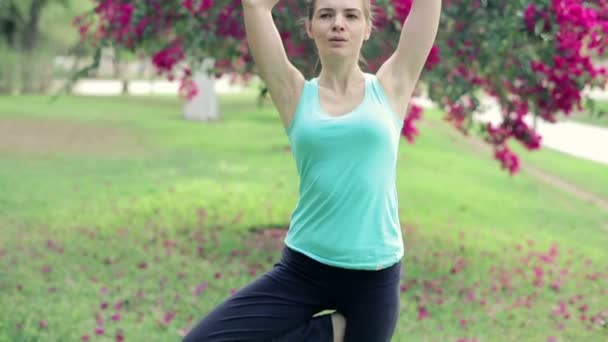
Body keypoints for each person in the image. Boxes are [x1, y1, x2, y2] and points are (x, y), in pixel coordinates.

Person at [183, 0, 441, 340]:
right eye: (326, 15)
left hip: (374, 274)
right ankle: (330, 332)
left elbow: (426, 7)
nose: (338, 24)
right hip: (305, 268)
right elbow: (256, 7)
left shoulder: (391, 86)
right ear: (309, 28)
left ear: (367, 29)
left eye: (351, 15)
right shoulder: (294, 94)